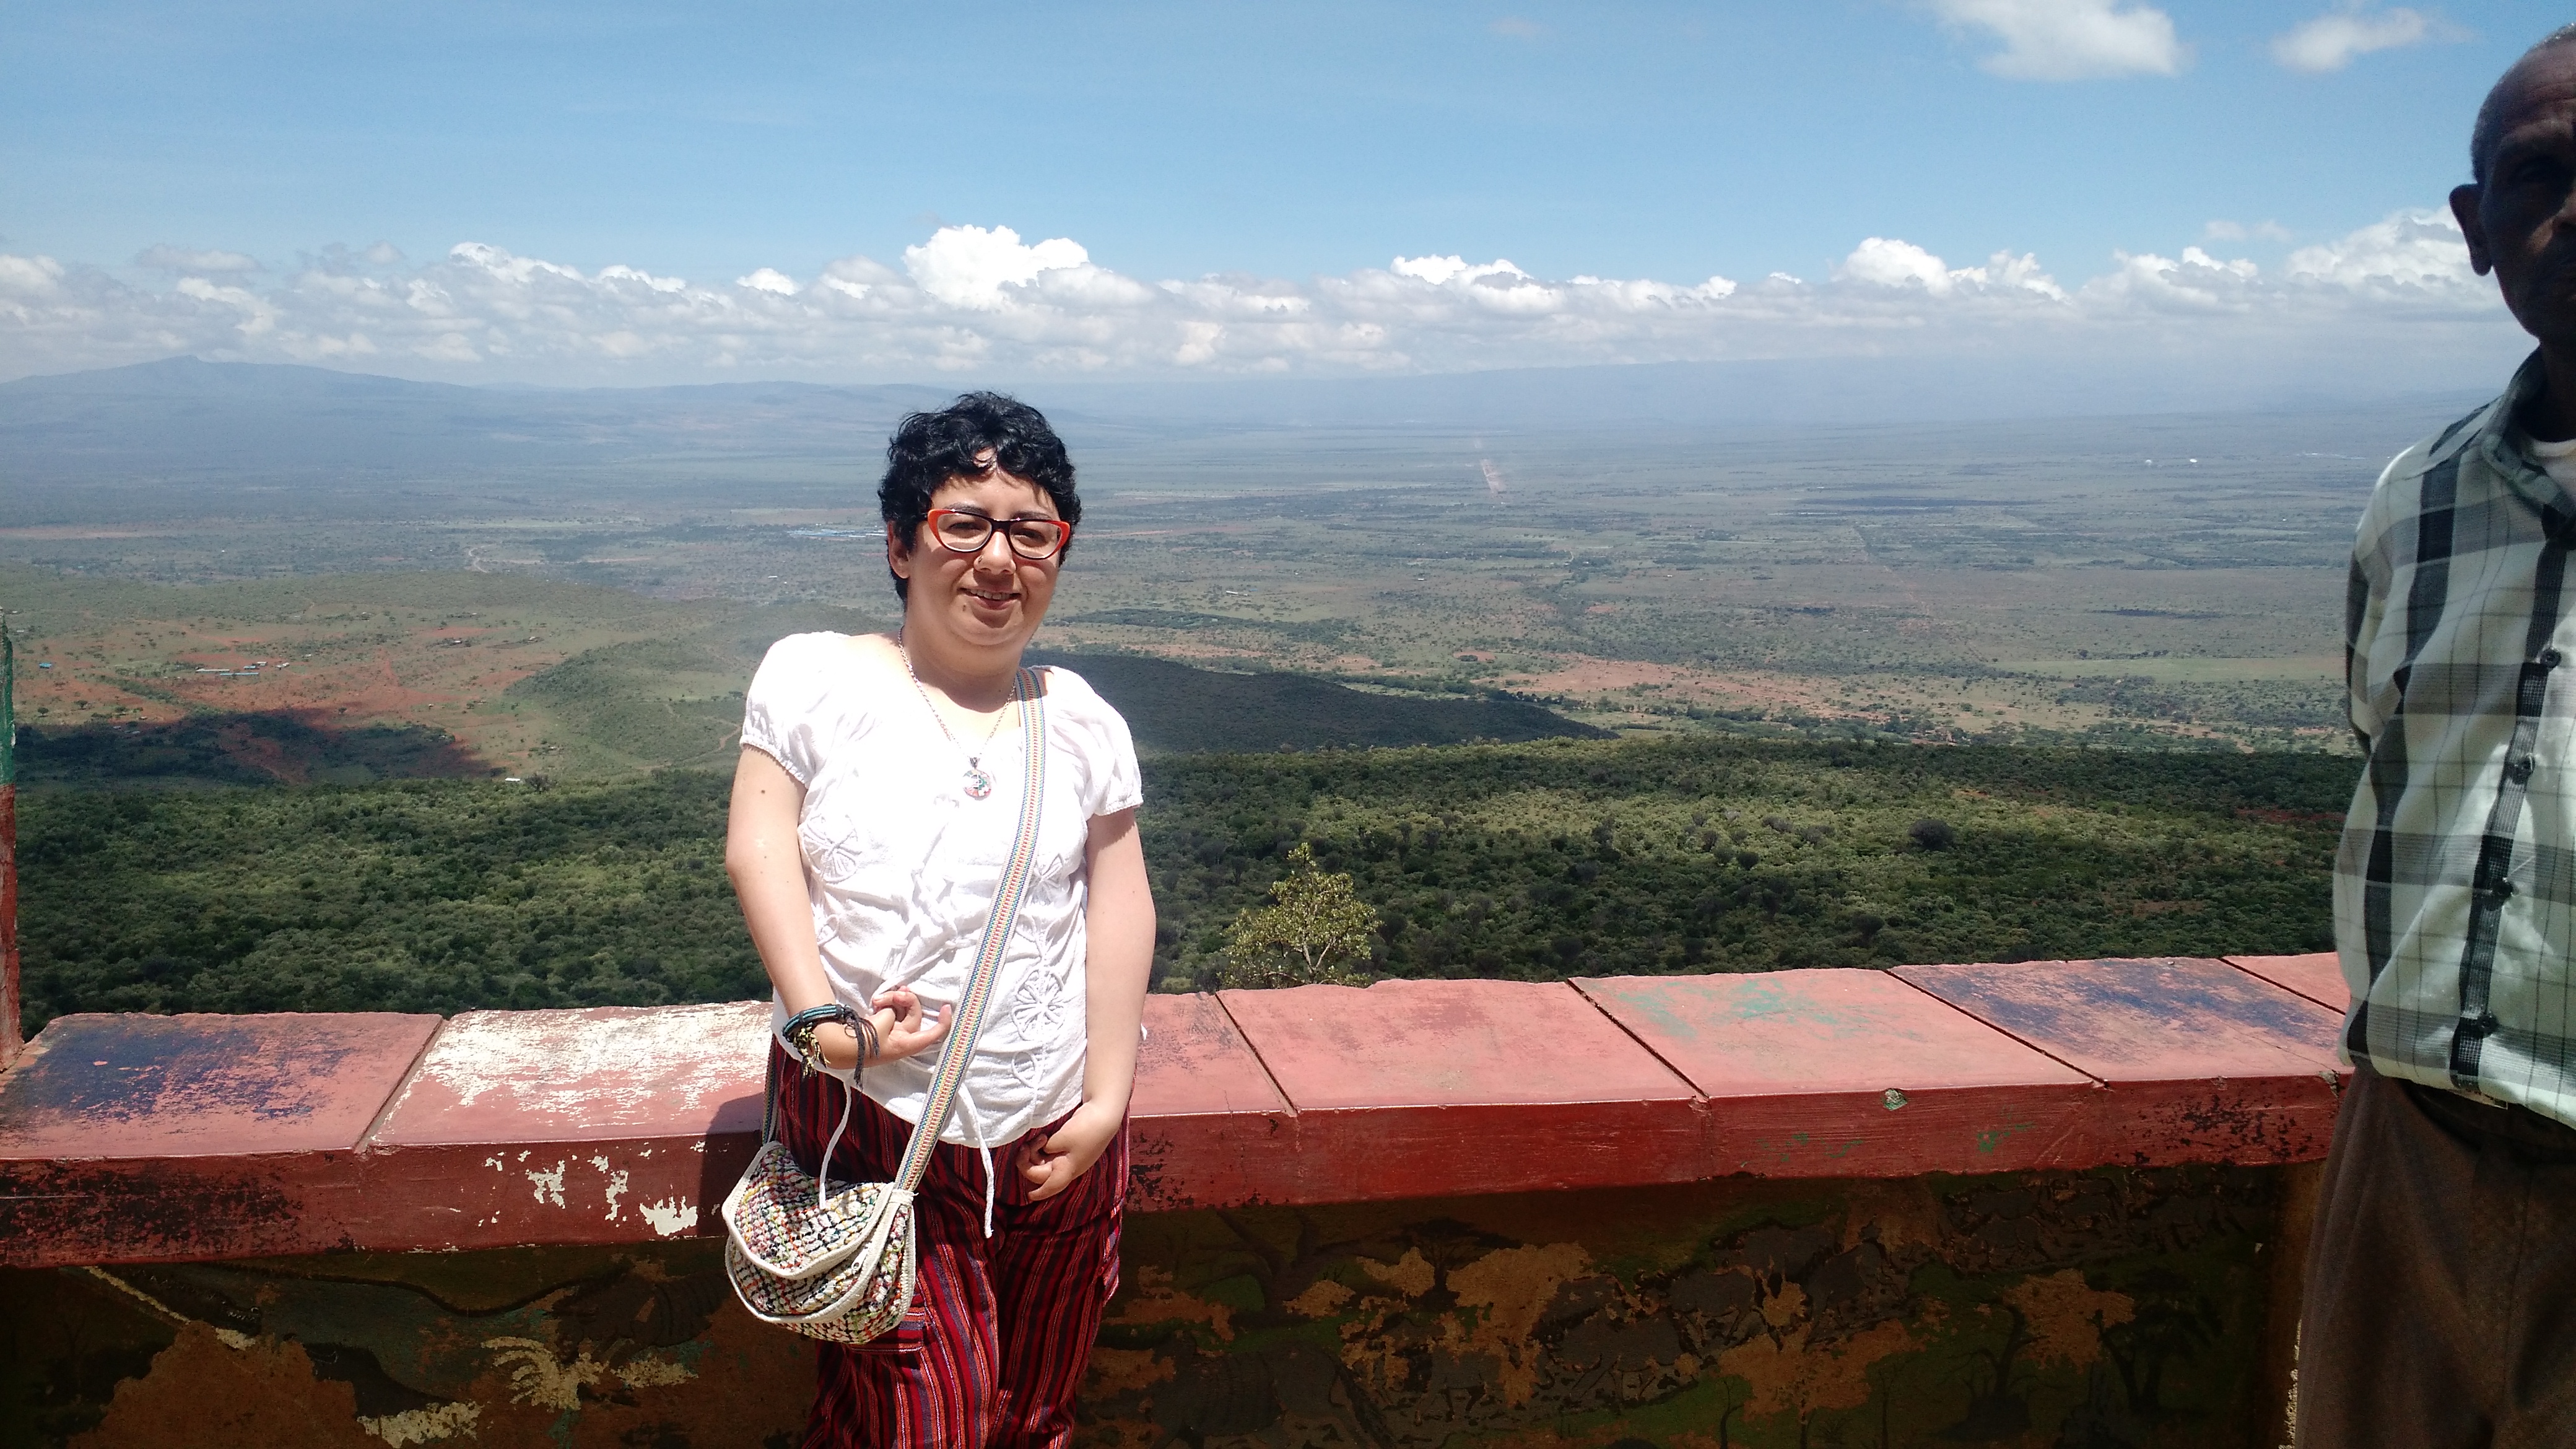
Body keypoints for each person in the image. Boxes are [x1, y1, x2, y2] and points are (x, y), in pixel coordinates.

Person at [724, 392, 1154, 1448]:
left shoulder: (1081, 720)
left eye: (1031, 532)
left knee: (1036, 1414)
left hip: (1053, 1130)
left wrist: (1106, 1100)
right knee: (918, 1423)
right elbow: (758, 847)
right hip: (877, 1119)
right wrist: (822, 1022)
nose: (998, 559)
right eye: (964, 524)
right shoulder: (818, 678)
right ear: (900, 544)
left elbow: (1120, 901)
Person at [2308, 25, 2576, 1445]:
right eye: (2541, 174)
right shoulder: (2415, 498)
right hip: (2414, 1145)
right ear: (2478, 229)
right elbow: (2391, 749)